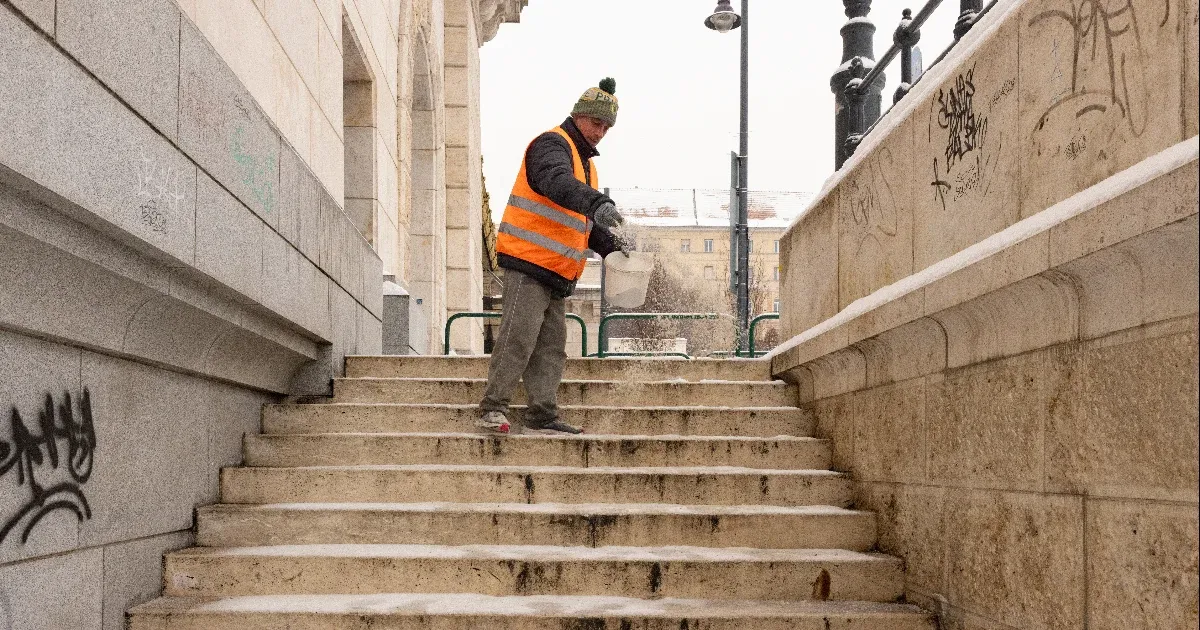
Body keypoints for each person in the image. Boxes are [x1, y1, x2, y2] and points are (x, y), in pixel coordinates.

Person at [476, 78, 628, 435]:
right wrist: (597, 202)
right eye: (596, 123)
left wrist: (614, 245)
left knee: (551, 348)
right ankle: (492, 407)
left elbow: (579, 222)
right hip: (529, 260)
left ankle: (542, 414)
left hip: (558, 271)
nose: (601, 132)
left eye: (607, 127)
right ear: (578, 116)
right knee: (518, 337)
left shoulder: (587, 166)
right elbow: (554, 182)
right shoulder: (552, 145)